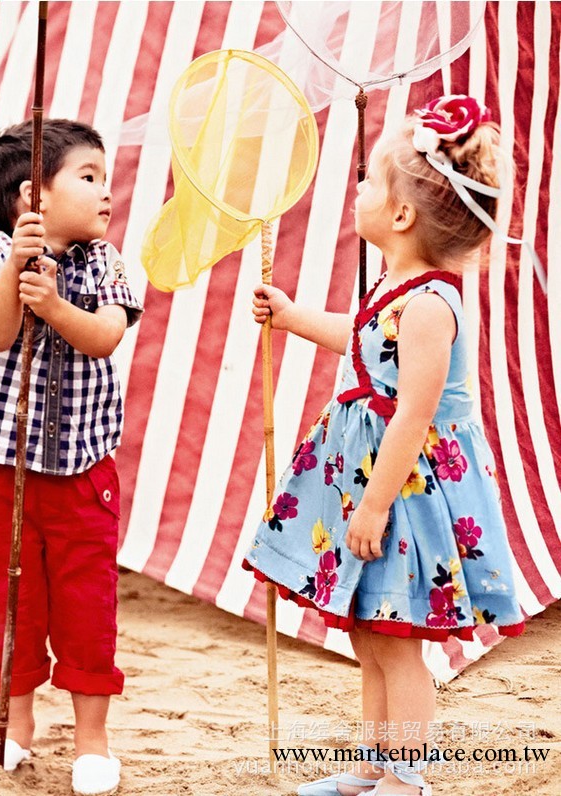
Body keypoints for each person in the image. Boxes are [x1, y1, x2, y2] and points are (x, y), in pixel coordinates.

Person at [243, 95, 528, 796]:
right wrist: (292, 318)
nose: (357, 191)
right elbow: (364, 344)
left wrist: (370, 510)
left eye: (369, 181)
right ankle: (373, 764)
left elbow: (412, 416)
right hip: (370, 480)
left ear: (400, 216)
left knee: (398, 644)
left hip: (406, 493)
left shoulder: (431, 304)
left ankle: (407, 777)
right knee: (371, 632)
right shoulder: (392, 286)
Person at [0, 118, 143, 796]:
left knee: (86, 608)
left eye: (105, 179)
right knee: (12, 605)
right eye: (89, 178)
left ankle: (92, 740)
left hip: (81, 478)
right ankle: (17, 727)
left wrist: (59, 306)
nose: (106, 193)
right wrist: (16, 271)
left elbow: (104, 337)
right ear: (29, 199)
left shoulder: (107, 260)